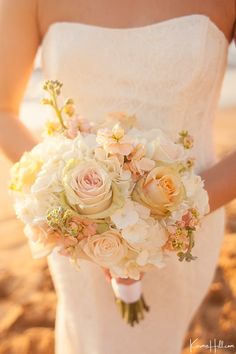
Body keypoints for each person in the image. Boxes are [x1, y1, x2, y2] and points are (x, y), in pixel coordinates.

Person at [0, 0, 236, 353]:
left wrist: (169, 219)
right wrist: (66, 200)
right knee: (89, 335)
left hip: (189, 221)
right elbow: (3, 110)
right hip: (76, 227)